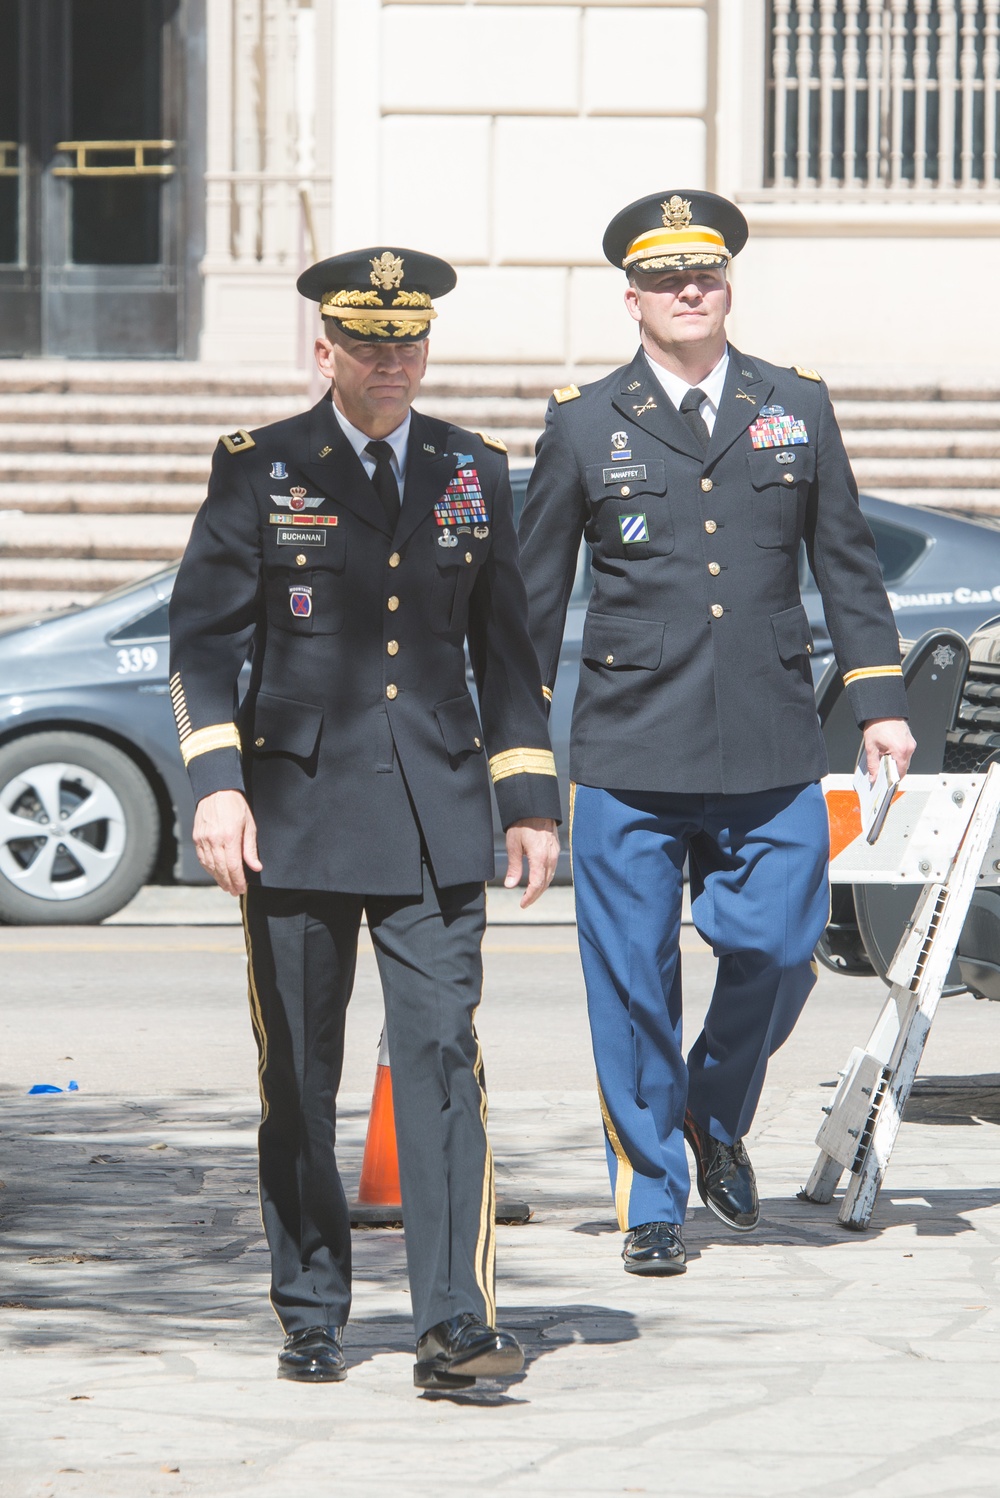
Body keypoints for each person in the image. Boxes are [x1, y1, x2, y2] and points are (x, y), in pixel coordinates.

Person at [168, 246, 561, 1388]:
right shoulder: (261, 466)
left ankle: (456, 1322)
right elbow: (201, 641)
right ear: (324, 347)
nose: (393, 360)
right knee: (298, 1068)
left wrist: (527, 799)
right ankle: (311, 1305)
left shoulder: (471, 466)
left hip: (435, 810)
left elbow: (508, 653)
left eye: (410, 340)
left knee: (441, 1057)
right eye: (370, 340)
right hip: (292, 811)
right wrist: (217, 783)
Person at [517, 191, 915, 1277]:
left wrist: (880, 699)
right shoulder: (581, 422)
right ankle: (651, 1200)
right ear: (633, 297)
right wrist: (516, 765)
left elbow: (845, 563)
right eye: (666, 276)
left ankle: (708, 1107)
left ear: (727, 286)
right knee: (632, 979)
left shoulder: (796, 406)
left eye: (706, 272)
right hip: (630, 747)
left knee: (783, 950)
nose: (689, 289)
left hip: (769, 739)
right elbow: (532, 604)